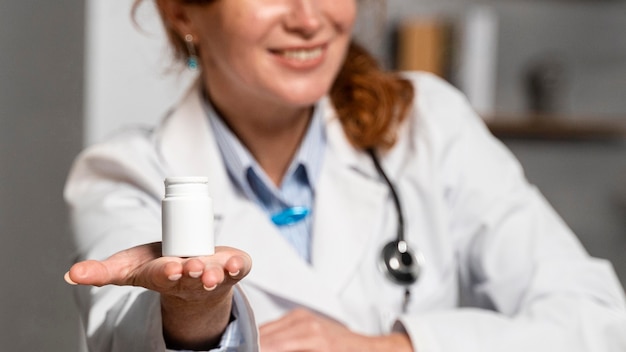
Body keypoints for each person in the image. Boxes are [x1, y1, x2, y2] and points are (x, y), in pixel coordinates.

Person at [63, 0, 626, 351]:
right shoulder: (127, 172)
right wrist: (195, 311)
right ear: (181, 11)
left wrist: (392, 348)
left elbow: (597, 321)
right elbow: (125, 339)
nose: (310, 19)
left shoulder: (428, 123)